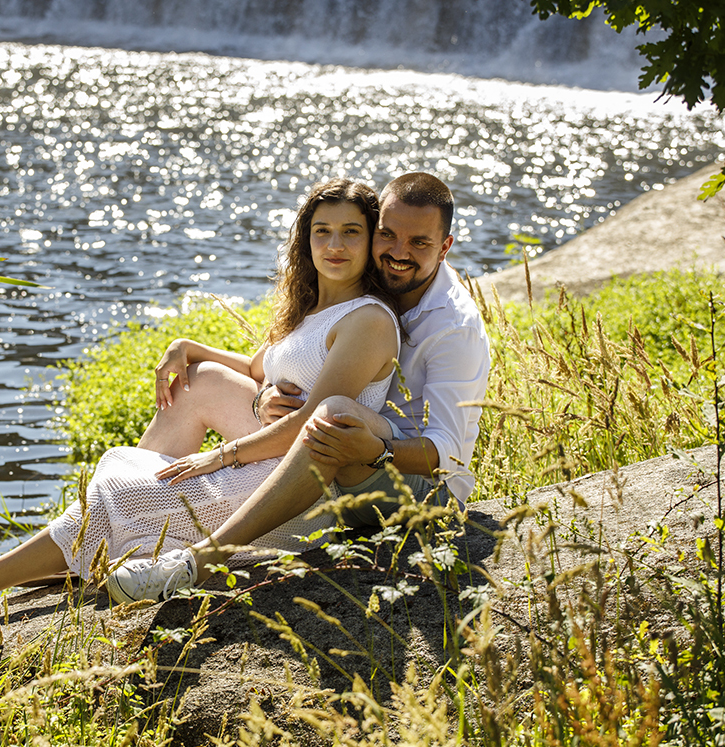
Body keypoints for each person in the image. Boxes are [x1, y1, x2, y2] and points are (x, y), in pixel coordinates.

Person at [0, 177, 401, 616]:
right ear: (306, 240)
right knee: (198, 378)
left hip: (300, 489)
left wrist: (220, 455)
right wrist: (184, 347)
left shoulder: (367, 320)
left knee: (126, 496)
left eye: (350, 232)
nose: (335, 245)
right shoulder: (313, 311)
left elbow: (315, 423)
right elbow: (255, 368)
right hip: (267, 456)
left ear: (370, 241)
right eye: (322, 232)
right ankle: (83, 547)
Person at [106, 172, 490, 604]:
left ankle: (195, 562)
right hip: (325, 447)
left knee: (333, 415)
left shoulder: (454, 327)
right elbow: (270, 367)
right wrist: (220, 367)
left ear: (444, 247)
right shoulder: (371, 283)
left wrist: (371, 450)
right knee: (203, 381)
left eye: (419, 243)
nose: (399, 252)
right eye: (387, 234)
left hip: (412, 483)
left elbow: (447, 456)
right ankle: (114, 520)